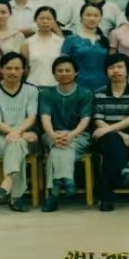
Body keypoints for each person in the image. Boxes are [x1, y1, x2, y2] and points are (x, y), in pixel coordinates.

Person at [91, 53, 129, 212]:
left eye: (120, 67)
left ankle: (105, 193)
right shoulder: (99, 93)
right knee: (112, 140)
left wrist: (110, 129)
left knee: (112, 144)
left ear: (127, 70)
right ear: (106, 71)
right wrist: (119, 134)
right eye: (111, 67)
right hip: (108, 137)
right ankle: (121, 173)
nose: (116, 71)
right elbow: (97, 119)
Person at [0, 52, 40, 212]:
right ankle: (16, 198)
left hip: (26, 135)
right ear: (1, 69)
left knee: (16, 144)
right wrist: (18, 133)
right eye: (8, 68)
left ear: (23, 70)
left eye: (17, 68)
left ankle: (6, 185)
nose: (13, 72)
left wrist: (18, 133)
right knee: (18, 144)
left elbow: (32, 116)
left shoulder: (32, 90)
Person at [39, 56, 93, 212]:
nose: (64, 73)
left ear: (76, 72)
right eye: (60, 71)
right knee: (59, 145)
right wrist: (53, 135)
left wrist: (71, 135)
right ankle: (68, 180)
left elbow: (85, 119)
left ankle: (53, 193)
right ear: (54, 74)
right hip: (52, 134)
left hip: (79, 135)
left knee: (57, 150)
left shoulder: (85, 93)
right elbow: (45, 118)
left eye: (68, 70)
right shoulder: (46, 93)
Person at [61, 3, 110, 92]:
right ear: (81, 17)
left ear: (100, 18)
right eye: (88, 15)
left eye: (96, 16)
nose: (92, 18)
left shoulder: (105, 41)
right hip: (78, 87)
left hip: (103, 87)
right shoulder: (70, 40)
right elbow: (63, 65)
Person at [21, 6, 63, 88]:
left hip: (55, 86)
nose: (45, 21)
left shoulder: (61, 42)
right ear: (35, 20)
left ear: (54, 21)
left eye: (49, 19)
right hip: (32, 85)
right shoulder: (27, 43)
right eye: (41, 18)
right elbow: (25, 68)